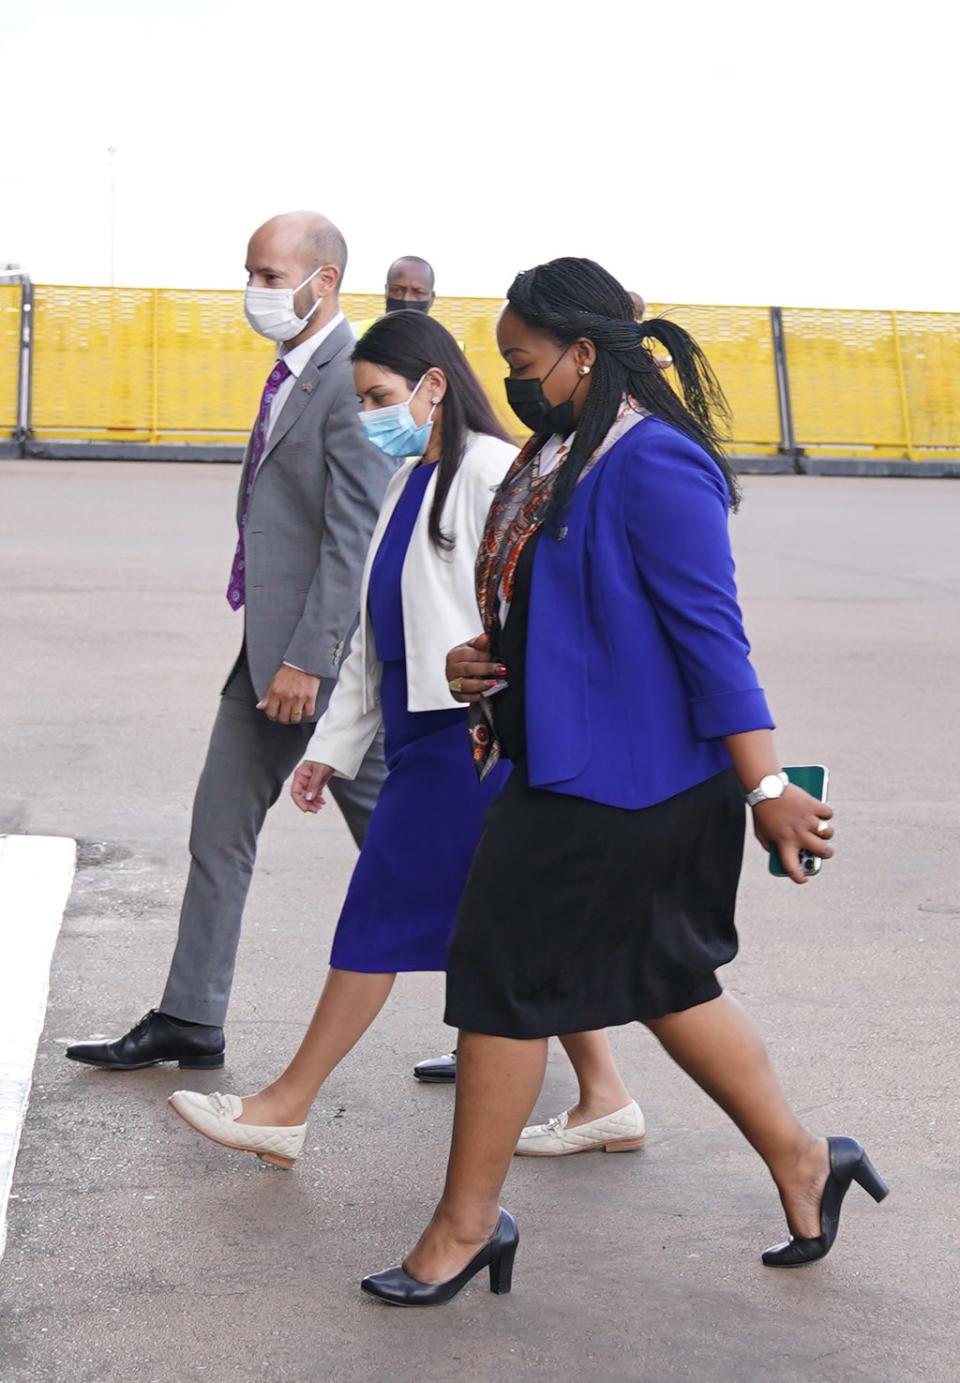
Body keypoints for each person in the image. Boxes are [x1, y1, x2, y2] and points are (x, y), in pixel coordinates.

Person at [359, 257, 888, 1307]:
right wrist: (484, 657)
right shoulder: (566, 448)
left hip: (630, 786)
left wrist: (769, 786)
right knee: (668, 981)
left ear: (584, 352)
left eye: (523, 362)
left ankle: (466, 1227)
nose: (511, 381)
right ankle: (804, 1160)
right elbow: (561, 604)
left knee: (502, 980)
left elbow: (712, 637)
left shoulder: (654, 462)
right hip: (572, 764)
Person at [166, 311, 515, 1163]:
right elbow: (372, 636)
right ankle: (608, 1095)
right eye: (360, 400)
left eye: (379, 396)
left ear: (434, 385)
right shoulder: (407, 481)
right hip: (417, 731)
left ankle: (286, 1104)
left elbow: (519, 611)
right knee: (509, 929)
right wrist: (333, 745)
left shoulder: (490, 472)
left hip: (465, 740)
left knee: (378, 915)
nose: (368, 417)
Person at [66, 212, 396, 1073]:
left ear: (322, 282)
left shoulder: (348, 379)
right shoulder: (291, 370)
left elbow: (352, 535)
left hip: (316, 666)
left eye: (269, 274)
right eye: (249, 272)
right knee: (218, 830)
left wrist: (308, 659)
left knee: (408, 850)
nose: (254, 291)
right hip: (265, 655)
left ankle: (521, 1013)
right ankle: (191, 1016)